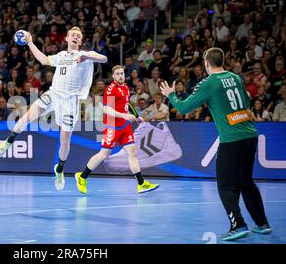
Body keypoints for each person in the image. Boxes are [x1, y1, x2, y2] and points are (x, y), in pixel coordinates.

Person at [160, 47, 271, 241]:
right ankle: (262, 224)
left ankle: (238, 225)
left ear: (206, 63)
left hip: (232, 139)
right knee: (246, 181)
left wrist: (171, 94)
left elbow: (184, 107)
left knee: (226, 185)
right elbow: (245, 100)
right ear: (223, 61)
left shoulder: (209, 83)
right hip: (250, 135)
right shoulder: (236, 77)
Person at [0, 27, 107, 190]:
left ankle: (59, 169)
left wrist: (87, 55)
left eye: (79, 36)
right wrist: (31, 43)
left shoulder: (85, 56)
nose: (75, 37)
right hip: (53, 94)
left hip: (70, 101)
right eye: (73, 35)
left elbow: (103, 58)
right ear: (67, 38)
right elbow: (44, 60)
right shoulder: (61, 56)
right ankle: (8, 141)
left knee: (65, 140)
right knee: (26, 118)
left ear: (80, 41)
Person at [74, 65, 159, 194]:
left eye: (122, 73)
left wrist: (136, 116)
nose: (121, 76)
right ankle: (82, 176)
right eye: (118, 74)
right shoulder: (110, 89)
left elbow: (127, 103)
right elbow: (106, 109)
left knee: (132, 152)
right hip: (112, 126)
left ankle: (141, 184)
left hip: (125, 126)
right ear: (113, 76)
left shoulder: (125, 87)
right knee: (104, 154)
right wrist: (124, 115)